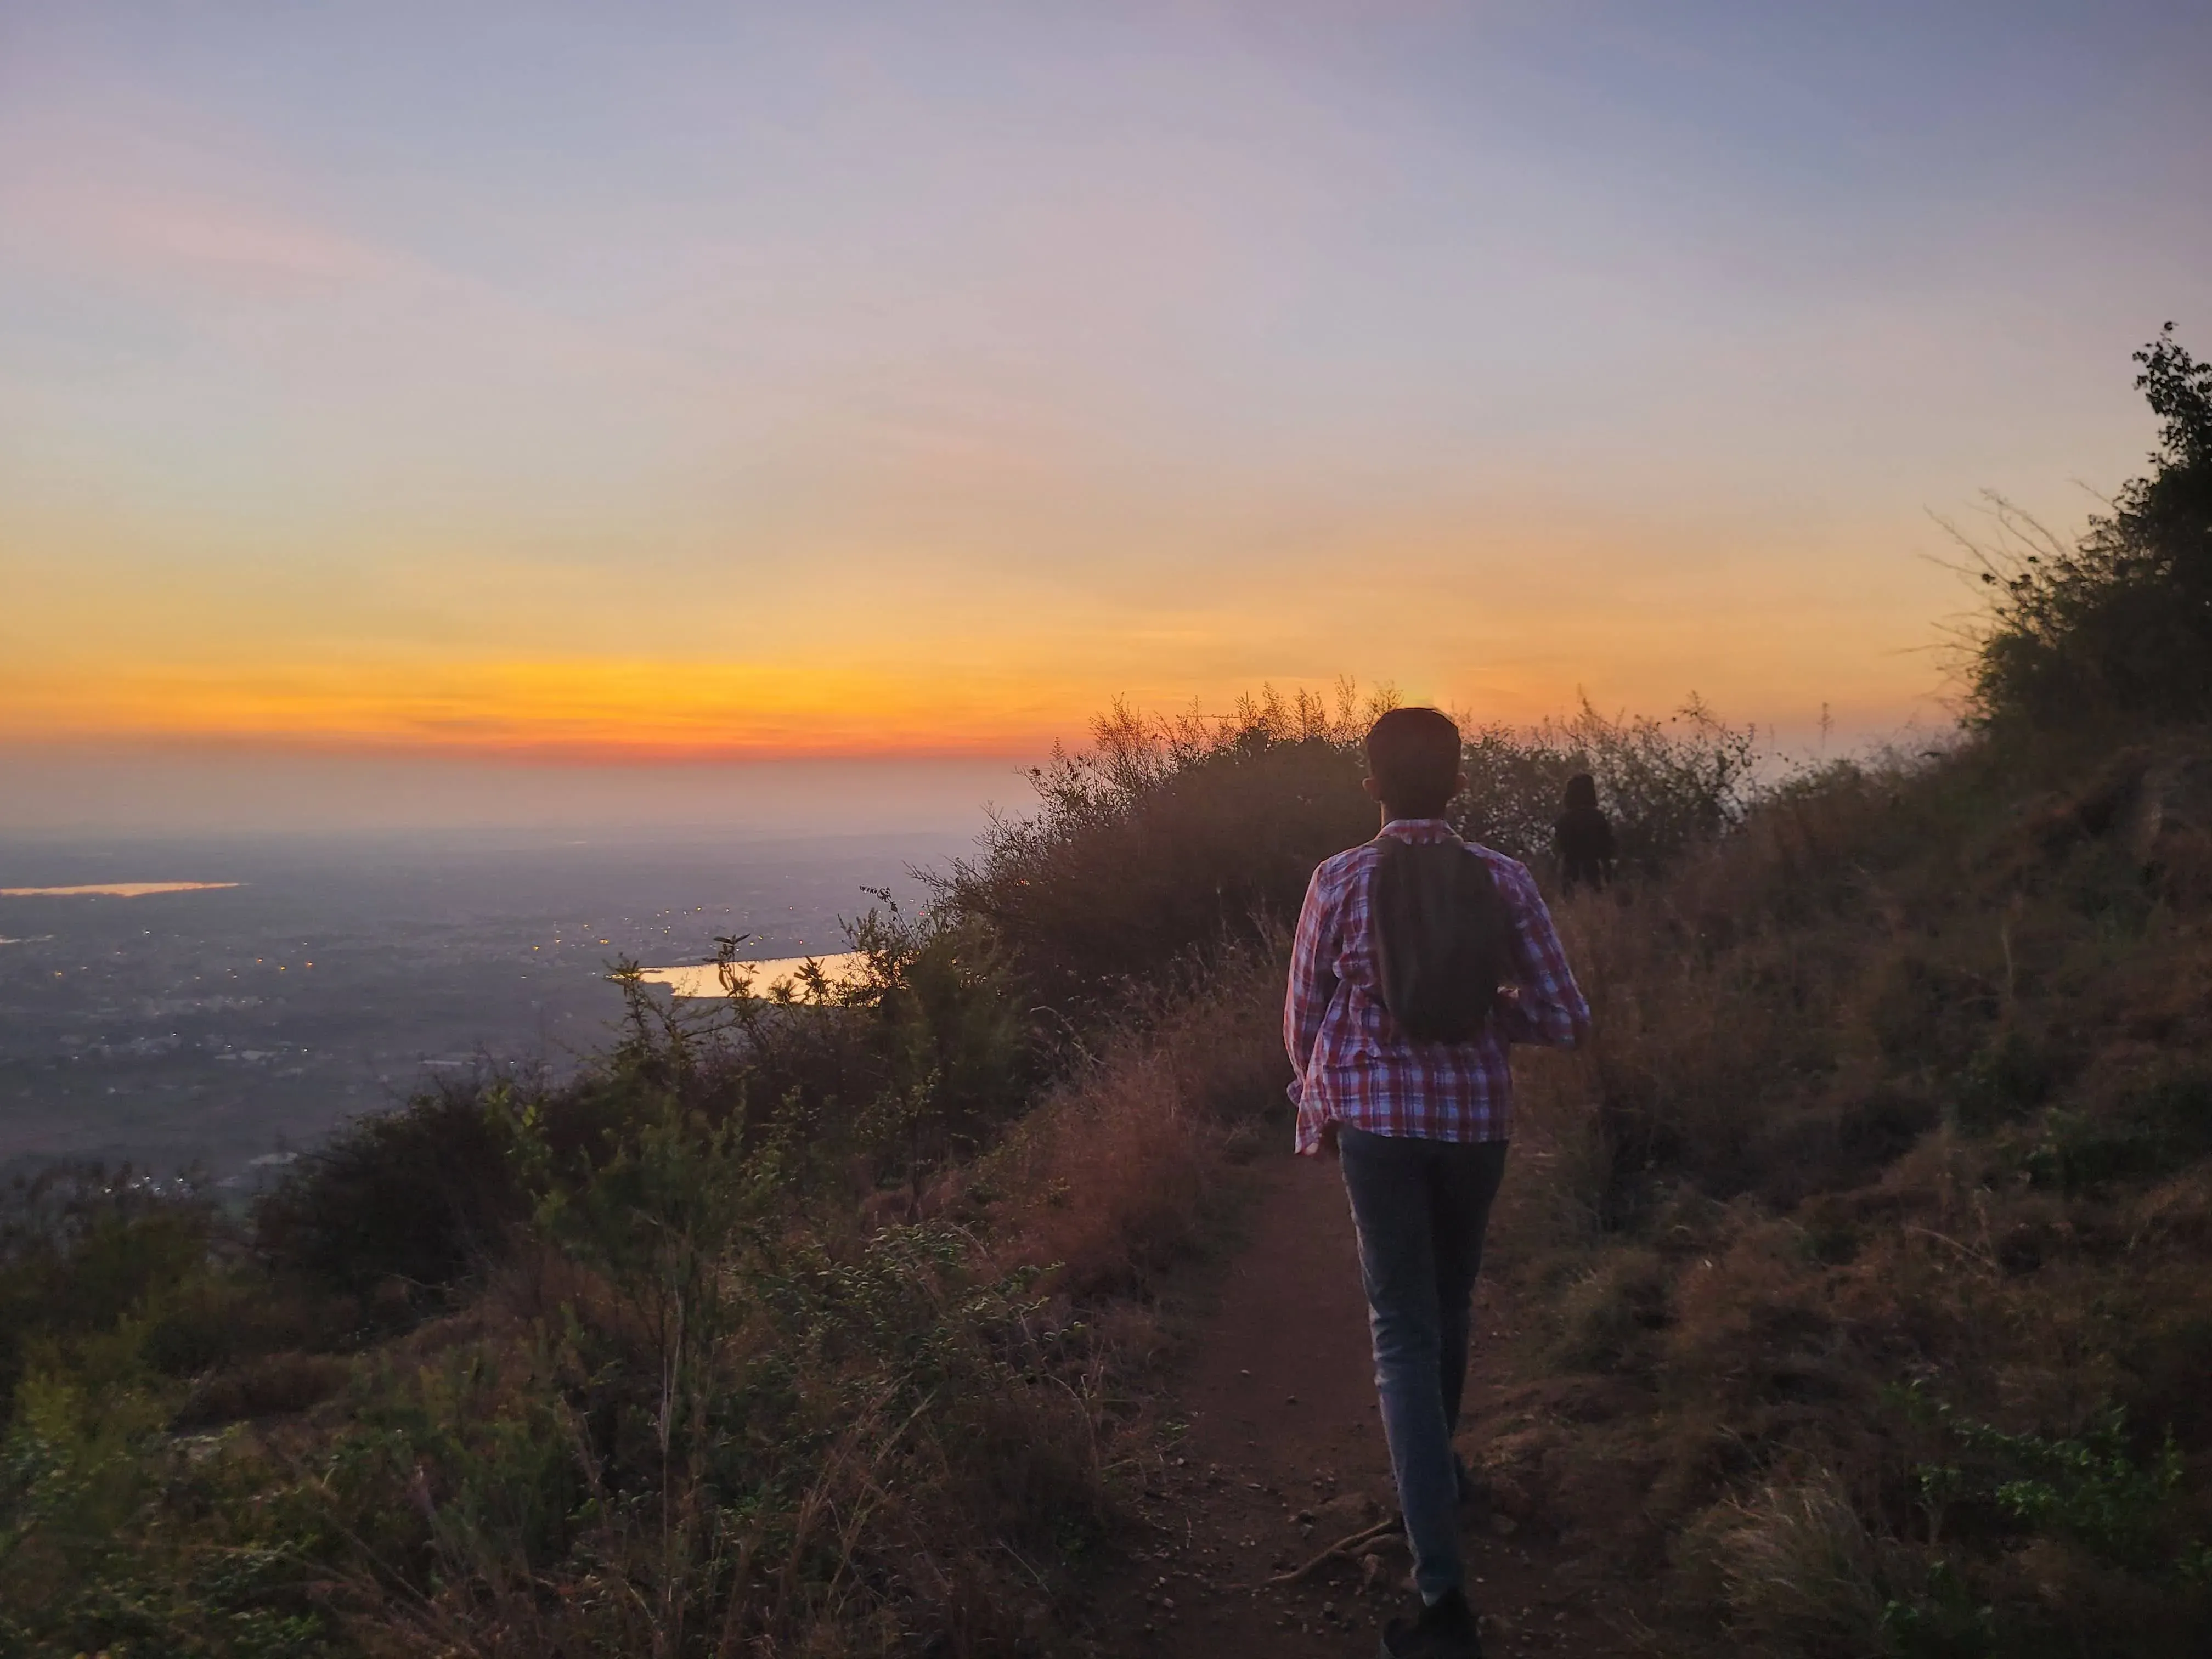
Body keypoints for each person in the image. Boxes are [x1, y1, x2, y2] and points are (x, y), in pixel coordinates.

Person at [1285, 708, 1589, 1659]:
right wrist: (1495, 1012)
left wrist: (1322, 1092)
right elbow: (1565, 1017)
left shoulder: (1338, 878)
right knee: (1449, 1303)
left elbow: (1302, 1017)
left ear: (1370, 783)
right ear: (1459, 784)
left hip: (1377, 1123)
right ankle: (1441, 1477)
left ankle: (1442, 1596)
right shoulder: (1502, 878)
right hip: (1474, 1122)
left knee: (1400, 1329)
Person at [1553, 772, 1616, 895]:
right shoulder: (1598, 817)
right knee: (1595, 900)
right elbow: (1608, 848)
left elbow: (1560, 846)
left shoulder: (1565, 818)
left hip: (1570, 868)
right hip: (1593, 869)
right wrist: (1609, 874)